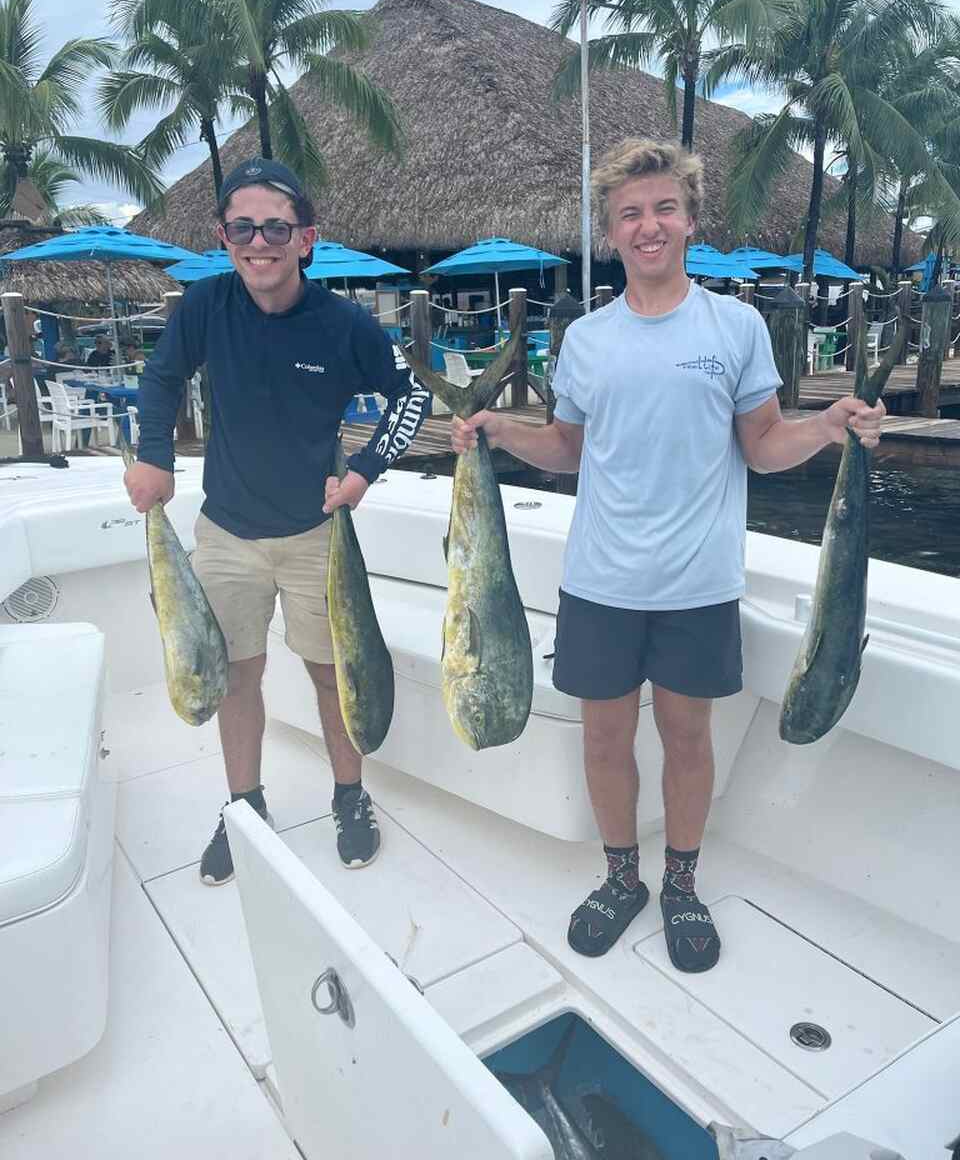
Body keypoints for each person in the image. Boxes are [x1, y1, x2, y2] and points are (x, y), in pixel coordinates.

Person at [450, 138, 886, 972]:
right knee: (605, 740)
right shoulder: (585, 339)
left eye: (662, 209)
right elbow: (572, 449)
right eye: (629, 215)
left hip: (697, 583)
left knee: (689, 738)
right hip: (600, 581)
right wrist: (504, 433)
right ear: (610, 233)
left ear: (689, 219)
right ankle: (624, 877)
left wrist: (828, 429)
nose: (648, 227)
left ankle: (681, 883)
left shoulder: (736, 326)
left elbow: (761, 446)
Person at [124, 157, 429, 885]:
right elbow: (162, 378)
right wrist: (153, 455)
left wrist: (364, 473)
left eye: (275, 228)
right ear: (223, 236)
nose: (258, 241)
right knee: (236, 675)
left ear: (305, 238)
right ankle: (245, 808)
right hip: (225, 531)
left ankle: (350, 797)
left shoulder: (343, 323)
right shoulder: (204, 305)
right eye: (242, 227)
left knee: (333, 676)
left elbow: (410, 397)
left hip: (316, 537)